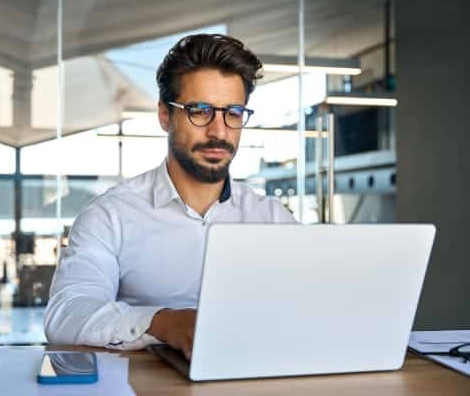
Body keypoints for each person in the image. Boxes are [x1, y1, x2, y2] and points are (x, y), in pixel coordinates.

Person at [44, 34, 296, 358]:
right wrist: (162, 323)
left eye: (233, 113)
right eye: (200, 111)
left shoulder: (274, 220)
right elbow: (67, 314)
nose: (219, 131)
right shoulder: (110, 216)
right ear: (165, 115)